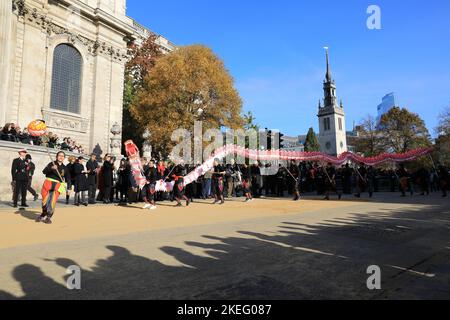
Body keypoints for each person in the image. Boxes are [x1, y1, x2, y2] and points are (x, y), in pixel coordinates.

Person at [37, 151, 70, 224]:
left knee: (52, 201)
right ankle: (43, 213)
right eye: (59, 155)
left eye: (62, 156)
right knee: (45, 200)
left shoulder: (65, 168)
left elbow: (68, 178)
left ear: (64, 158)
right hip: (48, 183)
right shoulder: (51, 163)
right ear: (56, 156)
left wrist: (69, 188)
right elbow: (44, 171)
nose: (61, 157)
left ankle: (48, 217)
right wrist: (51, 168)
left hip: (57, 185)